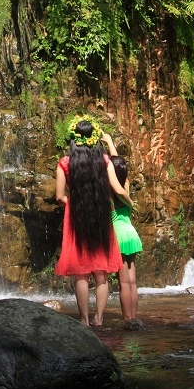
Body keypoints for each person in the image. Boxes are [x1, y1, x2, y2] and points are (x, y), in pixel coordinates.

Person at [55, 116, 133, 326]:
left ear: (73, 140)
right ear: (95, 138)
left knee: (81, 274)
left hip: (76, 216)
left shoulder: (65, 162)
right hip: (100, 213)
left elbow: (60, 196)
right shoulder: (104, 160)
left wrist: (72, 205)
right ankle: (99, 319)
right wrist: (130, 202)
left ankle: (84, 320)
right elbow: (116, 188)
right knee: (101, 273)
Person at [101, 132, 143, 327]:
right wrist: (110, 142)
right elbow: (118, 166)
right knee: (131, 281)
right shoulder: (125, 185)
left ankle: (127, 320)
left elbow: (113, 167)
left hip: (117, 236)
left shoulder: (108, 189)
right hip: (131, 233)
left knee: (122, 283)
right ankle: (133, 318)